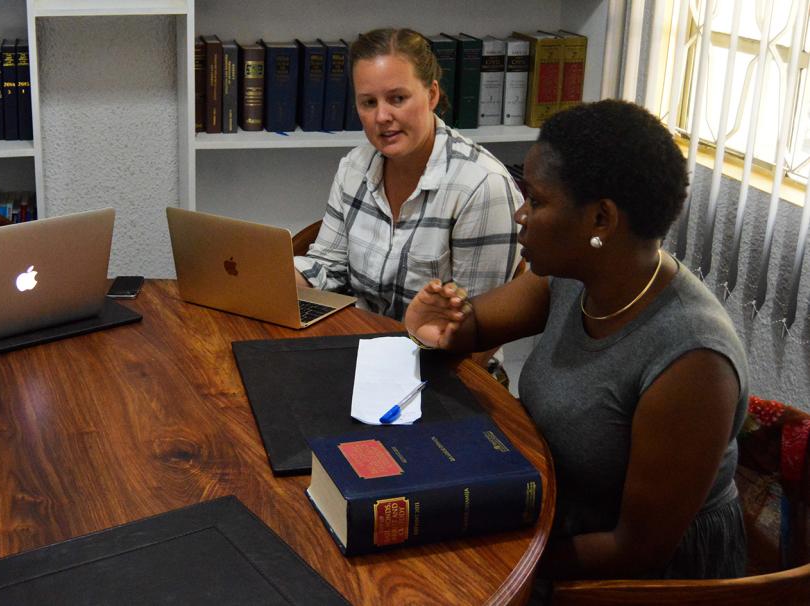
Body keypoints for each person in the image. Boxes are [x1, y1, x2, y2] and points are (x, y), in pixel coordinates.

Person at [405, 99, 748, 582]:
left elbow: (636, 551)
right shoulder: (577, 275)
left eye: (538, 201)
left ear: (601, 221)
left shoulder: (692, 362)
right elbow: (476, 326)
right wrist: (440, 325)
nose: (521, 215)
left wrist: (486, 561)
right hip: (556, 514)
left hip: (645, 581)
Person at [294, 28, 522, 322]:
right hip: (359, 343)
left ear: (432, 95)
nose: (382, 117)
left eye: (397, 98)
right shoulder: (354, 166)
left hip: (442, 359)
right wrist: (274, 280)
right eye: (369, 103)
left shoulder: (481, 186)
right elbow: (329, 267)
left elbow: (477, 325)